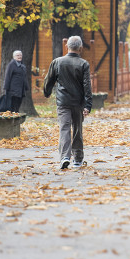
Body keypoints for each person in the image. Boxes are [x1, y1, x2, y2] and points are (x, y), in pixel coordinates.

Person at [43, 36, 92, 170]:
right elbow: (87, 86)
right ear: (80, 48)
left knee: (64, 128)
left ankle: (65, 157)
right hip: (78, 102)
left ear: (66, 47)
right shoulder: (83, 64)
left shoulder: (57, 62)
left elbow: (49, 79)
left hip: (63, 102)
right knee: (77, 129)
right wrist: (88, 105)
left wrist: (47, 92)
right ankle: (77, 159)